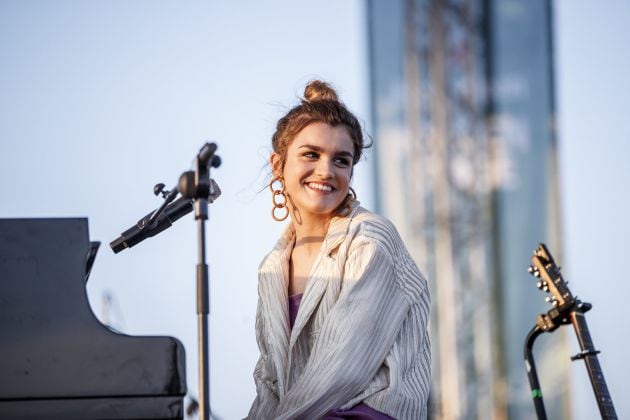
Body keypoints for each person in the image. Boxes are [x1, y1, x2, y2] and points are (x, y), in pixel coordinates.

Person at [248, 80, 430, 419]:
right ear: (278, 165)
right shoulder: (272, 267)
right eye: (311, 154)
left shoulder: (370, 239)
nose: (326, 171)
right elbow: (268, 382)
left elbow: (343, 368)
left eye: (341, 161)